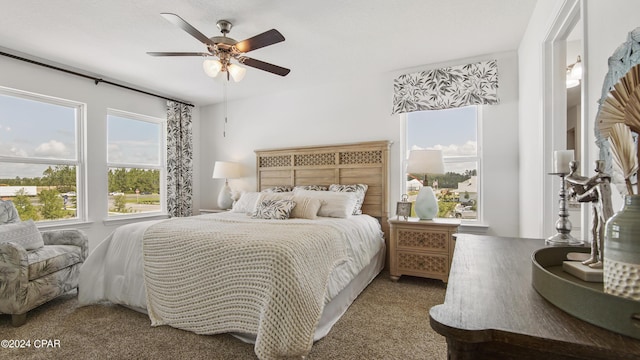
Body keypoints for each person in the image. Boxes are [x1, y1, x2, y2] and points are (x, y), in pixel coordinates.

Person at [566, 160, 613, 268]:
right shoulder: (573, 178)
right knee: (593, 229)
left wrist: (577, 196)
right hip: (593, 203)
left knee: (599, 230)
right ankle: (593, 256)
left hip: (600, 206)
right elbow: (585, 186)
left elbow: (586, 186)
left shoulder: (600, 184)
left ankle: (602, 259)